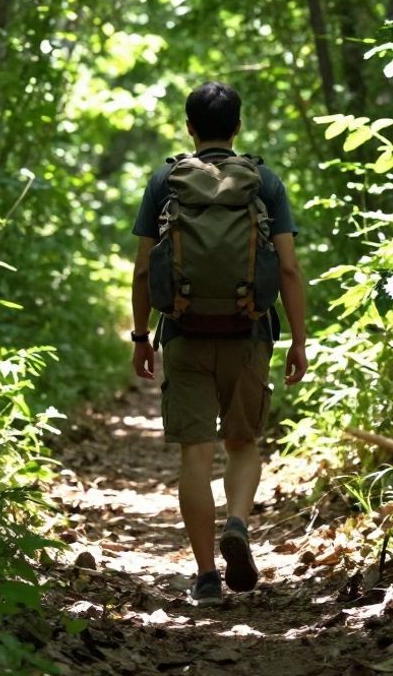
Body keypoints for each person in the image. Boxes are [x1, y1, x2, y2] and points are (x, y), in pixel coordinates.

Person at [129, 81, 308, 606]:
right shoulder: (263, 181)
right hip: (249, 331)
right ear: (237, 127)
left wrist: (141, 336)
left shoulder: (166, 180)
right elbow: (290, 268)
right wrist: (299, 340)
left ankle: (206, 575)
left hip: (183, 332)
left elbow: (143, 269)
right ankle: (237, 521)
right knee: (243, 443)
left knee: (195, 454)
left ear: (189, 127)